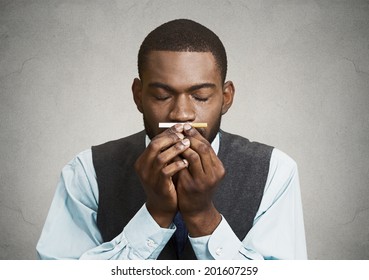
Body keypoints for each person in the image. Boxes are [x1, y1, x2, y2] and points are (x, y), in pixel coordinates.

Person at [36, 19, 307, 260]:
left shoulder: (275, 170)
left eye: (200, 96)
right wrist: (155, 214)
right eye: (162, 96)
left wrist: (203, 216)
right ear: (138, 95)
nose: (182, 114)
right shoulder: (86, 171)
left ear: (226, 98)